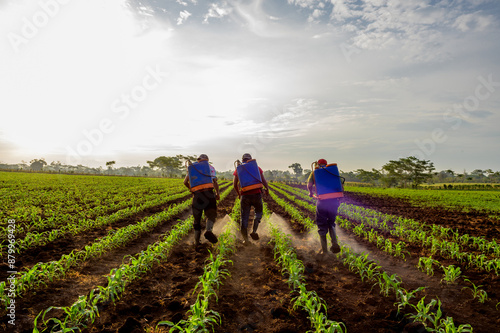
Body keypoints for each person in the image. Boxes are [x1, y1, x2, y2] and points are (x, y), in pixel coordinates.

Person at [184, 154, 220, 247]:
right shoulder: (210, 168)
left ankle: (196, 242)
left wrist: (192, 190)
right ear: (207, 160)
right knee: (211, 215)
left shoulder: (192, 168)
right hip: (209, 195)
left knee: (197, 220)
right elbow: (215, 182)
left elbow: (185, 182)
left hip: (197, 197)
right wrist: (217, 193)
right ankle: (208, 231)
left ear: (198, 160)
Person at [233, 153, 269, 244]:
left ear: (242, 160)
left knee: (244, 217)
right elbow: (263, 180)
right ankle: (254, 231)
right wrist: (267, 189)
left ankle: (246, 240)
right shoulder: (257, 168)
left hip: (245, 195)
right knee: (258, 213)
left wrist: (239, 194)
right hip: (257, 194)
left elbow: (235, 184)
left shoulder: (239, 169)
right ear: (250, 159)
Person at [307, 158, 341, 254]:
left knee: (322, 225)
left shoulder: (315, 172)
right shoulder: (332, 172)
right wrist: (339, 200)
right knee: (331, 222)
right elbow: (340, 188)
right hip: (334, 201)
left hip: (322, 202)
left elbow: (309, 185)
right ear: (326, 164)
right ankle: (334, 243)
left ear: (318, 164)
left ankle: (325, 251)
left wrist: (310, 192)